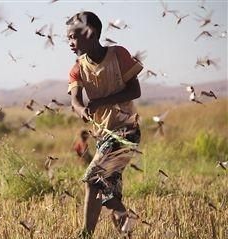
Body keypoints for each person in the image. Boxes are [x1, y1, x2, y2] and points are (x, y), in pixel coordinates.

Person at [66, 11, 143, 238]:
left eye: (74, 37)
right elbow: (75, 100)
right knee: (110, 192)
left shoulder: (118, 54)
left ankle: (85, 234)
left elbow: (135, 90)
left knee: (92, 180)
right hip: (103, 136)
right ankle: (127, 230)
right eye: (68, 38)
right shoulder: (77, 68)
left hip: (126, 131)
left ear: (92, 33)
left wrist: (100, 102)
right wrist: (82, 111)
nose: (70, 43)